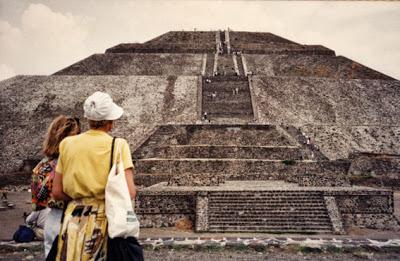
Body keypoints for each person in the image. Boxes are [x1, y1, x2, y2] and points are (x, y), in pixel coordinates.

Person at [52, 91, 136, 261]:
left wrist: (80, 197)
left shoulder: (67, 144)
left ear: (88, 119)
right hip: (104, 220)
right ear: (110, 122)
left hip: (73, 220)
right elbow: (129, 191)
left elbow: (57, 192)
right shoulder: (118, 145)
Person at [31, 116, 80, 257]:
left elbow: (37, 204)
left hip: (51, 219)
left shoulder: (41, 166)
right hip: (72, 218)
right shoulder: (71, 164)